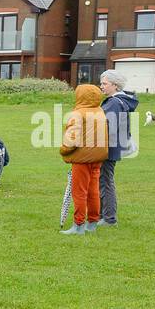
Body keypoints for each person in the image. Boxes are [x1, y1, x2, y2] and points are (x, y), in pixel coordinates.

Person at [60, 84, 109, 234]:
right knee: (93, 190)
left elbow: (71, 140)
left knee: (79, 192)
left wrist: (63, 150)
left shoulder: (78, 114)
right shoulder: (100, 111)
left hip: (82, 159)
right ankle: (92, 223)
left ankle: (78, 225)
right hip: (97, 157)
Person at [99, 69, 138, 226]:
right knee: (103, 181)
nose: (101, 86)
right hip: (110, 147)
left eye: (104, 83)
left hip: (108, 148)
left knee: (105, 182)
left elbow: (108, 126)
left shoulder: (115, 102)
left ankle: (109, 218)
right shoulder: (118, 100)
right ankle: (104, 216)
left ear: (115, 85)